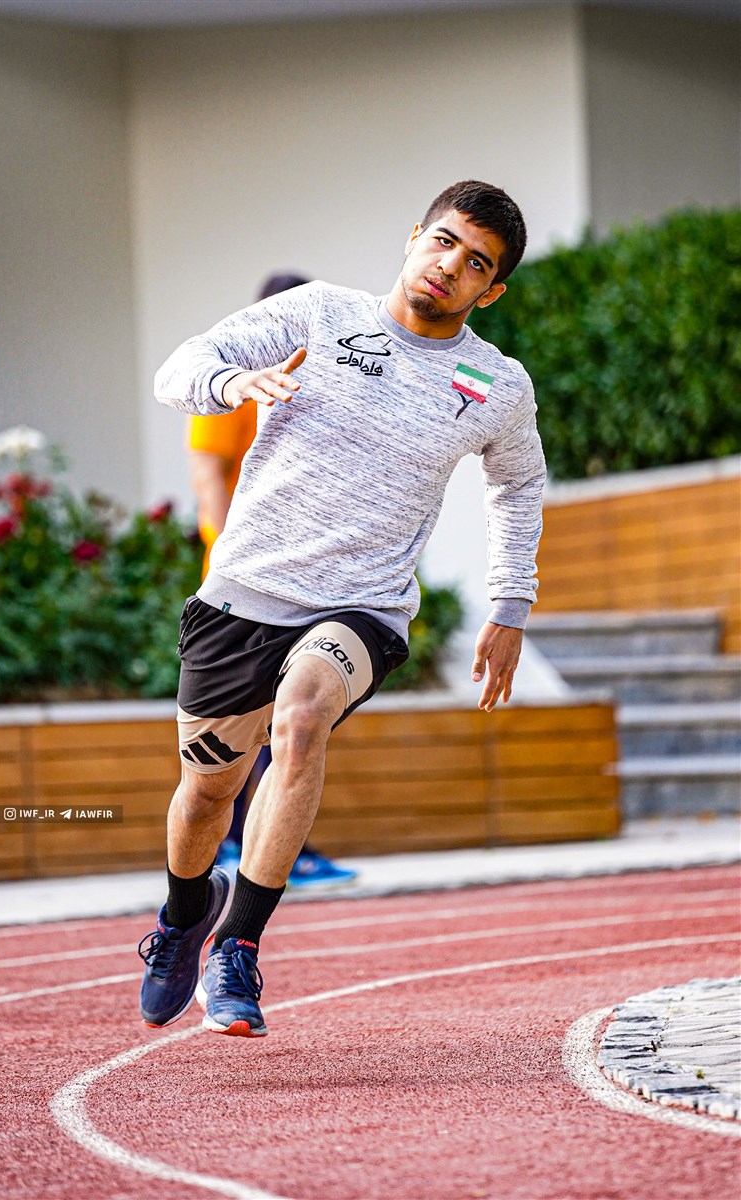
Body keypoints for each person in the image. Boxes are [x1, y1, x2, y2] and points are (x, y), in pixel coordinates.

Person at [138, 179, 545, 1037]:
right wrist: (233, 381)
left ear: (491, 290)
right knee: (207, 796)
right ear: (415, 236)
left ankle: (238, 947)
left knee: (302, 715)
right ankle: (183, 916)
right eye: (444, 242)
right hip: (243, 594)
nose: (450, 267)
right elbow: (178, 370)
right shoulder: (318, 314)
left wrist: (510, 605)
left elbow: (517, 487)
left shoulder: (495, 383)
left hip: (363, 606)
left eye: (476, 264)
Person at [187, 271, 357, 890]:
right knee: (248, 723)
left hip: (308, 579)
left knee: (293, 719)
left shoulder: (326, 374)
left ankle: (280, 848)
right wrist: (232, 554)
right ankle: (243, 847)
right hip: (245, 580)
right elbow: (208, 476)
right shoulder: (238, 377)